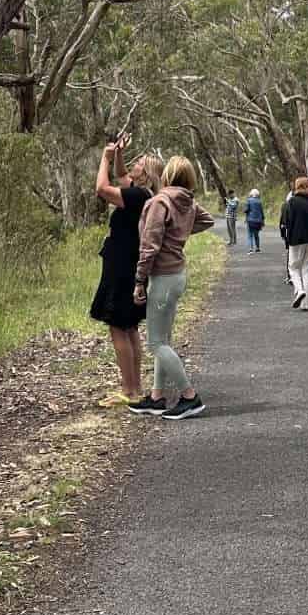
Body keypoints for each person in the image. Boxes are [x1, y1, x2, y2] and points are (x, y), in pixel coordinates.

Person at [130, 156, 215, 420]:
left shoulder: (160, 202)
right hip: (177, 274)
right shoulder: (187, 201)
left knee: (156, 343)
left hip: (163, 278)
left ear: (167, 174)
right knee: (163, 340)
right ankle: (157, 397)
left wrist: (139, 280)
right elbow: (207, 220)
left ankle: (190, 397)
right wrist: (179, 233)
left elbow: (149, 246)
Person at [89, 137, 163, 406]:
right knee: (129, 327)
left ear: (146, 173)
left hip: (120, 267)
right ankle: (135, 387)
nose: (134, 164)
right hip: (128, 264)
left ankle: (129, 391)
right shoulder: (144, 194)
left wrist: (105, 158)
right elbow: (121, 175)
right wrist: (118, 154)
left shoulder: (136, 196)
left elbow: (102, 188)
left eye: (139, 163)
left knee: (118, 327)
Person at [279, 176, 308, 310]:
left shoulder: (292, 202)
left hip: (296, 241)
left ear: (297, 187)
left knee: (293, 268)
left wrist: (286, 239)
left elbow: (286, 223)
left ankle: (299, 291)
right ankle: (305, 304)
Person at [243, 188, 265, 252]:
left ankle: (251, 248)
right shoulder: (259, 201)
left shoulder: (249, 200)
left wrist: (244, 211)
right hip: (258, 221)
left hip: (250, 220)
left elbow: (246, 209)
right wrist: (263, 220)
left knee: (250, 235)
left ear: (251, 194)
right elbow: (261, 212)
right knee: (256, 234)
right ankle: (257, 247)